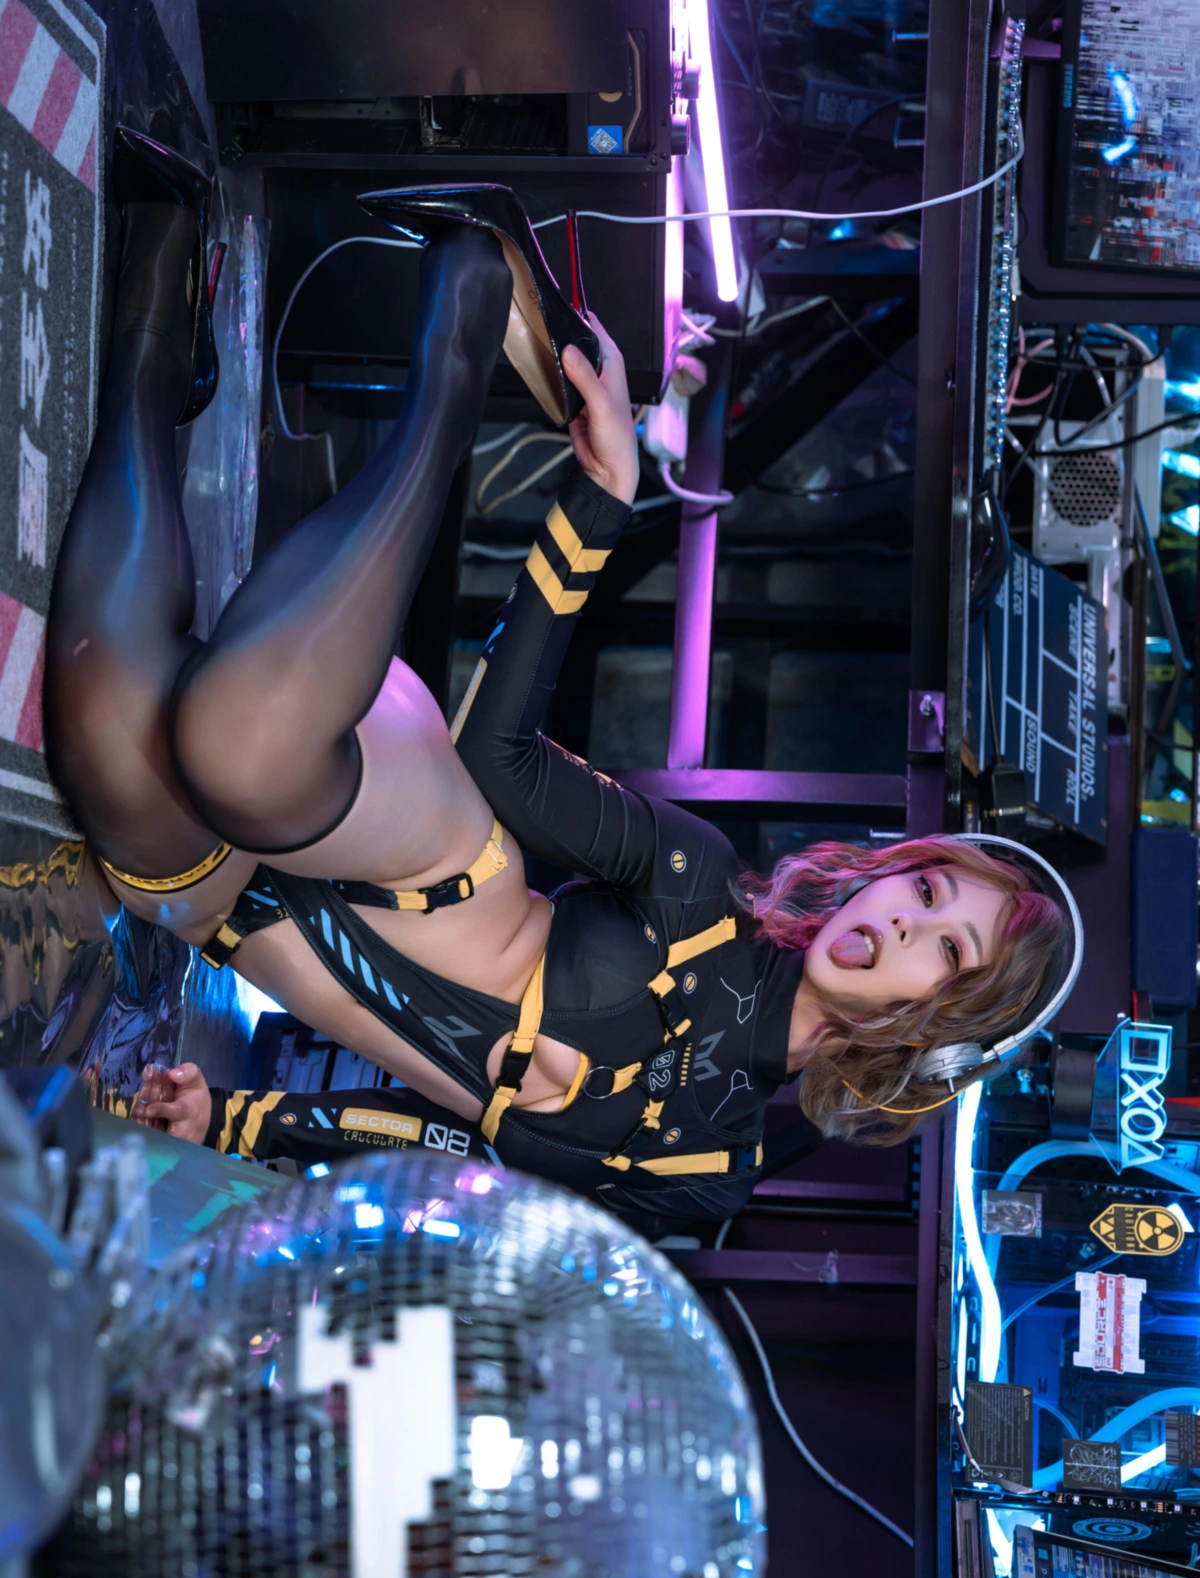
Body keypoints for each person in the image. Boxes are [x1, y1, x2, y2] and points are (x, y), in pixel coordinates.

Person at [48, 131, 1071, 1235]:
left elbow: (460, 1154)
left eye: (949, 950)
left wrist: (247, 1122)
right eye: (926, 892)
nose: (905, 925)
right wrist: (596, 508)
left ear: (942, 1038)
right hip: (415, 842)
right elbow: (499, 757)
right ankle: (461, 328)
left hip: (236, 919)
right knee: (237, 751)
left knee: (114, 743)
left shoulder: (703, 1176)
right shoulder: (699, 888)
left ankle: (158, 316)